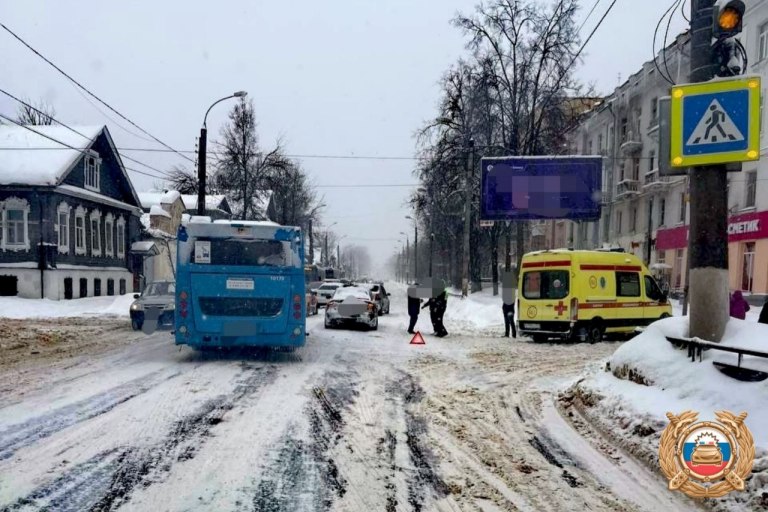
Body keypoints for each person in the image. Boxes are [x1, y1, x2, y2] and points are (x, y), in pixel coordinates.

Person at [501, 270, 516, 338]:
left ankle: (512, 334)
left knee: (510, 321)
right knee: (508, 322)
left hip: (509, 308)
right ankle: (508, 334)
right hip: (507, 308)